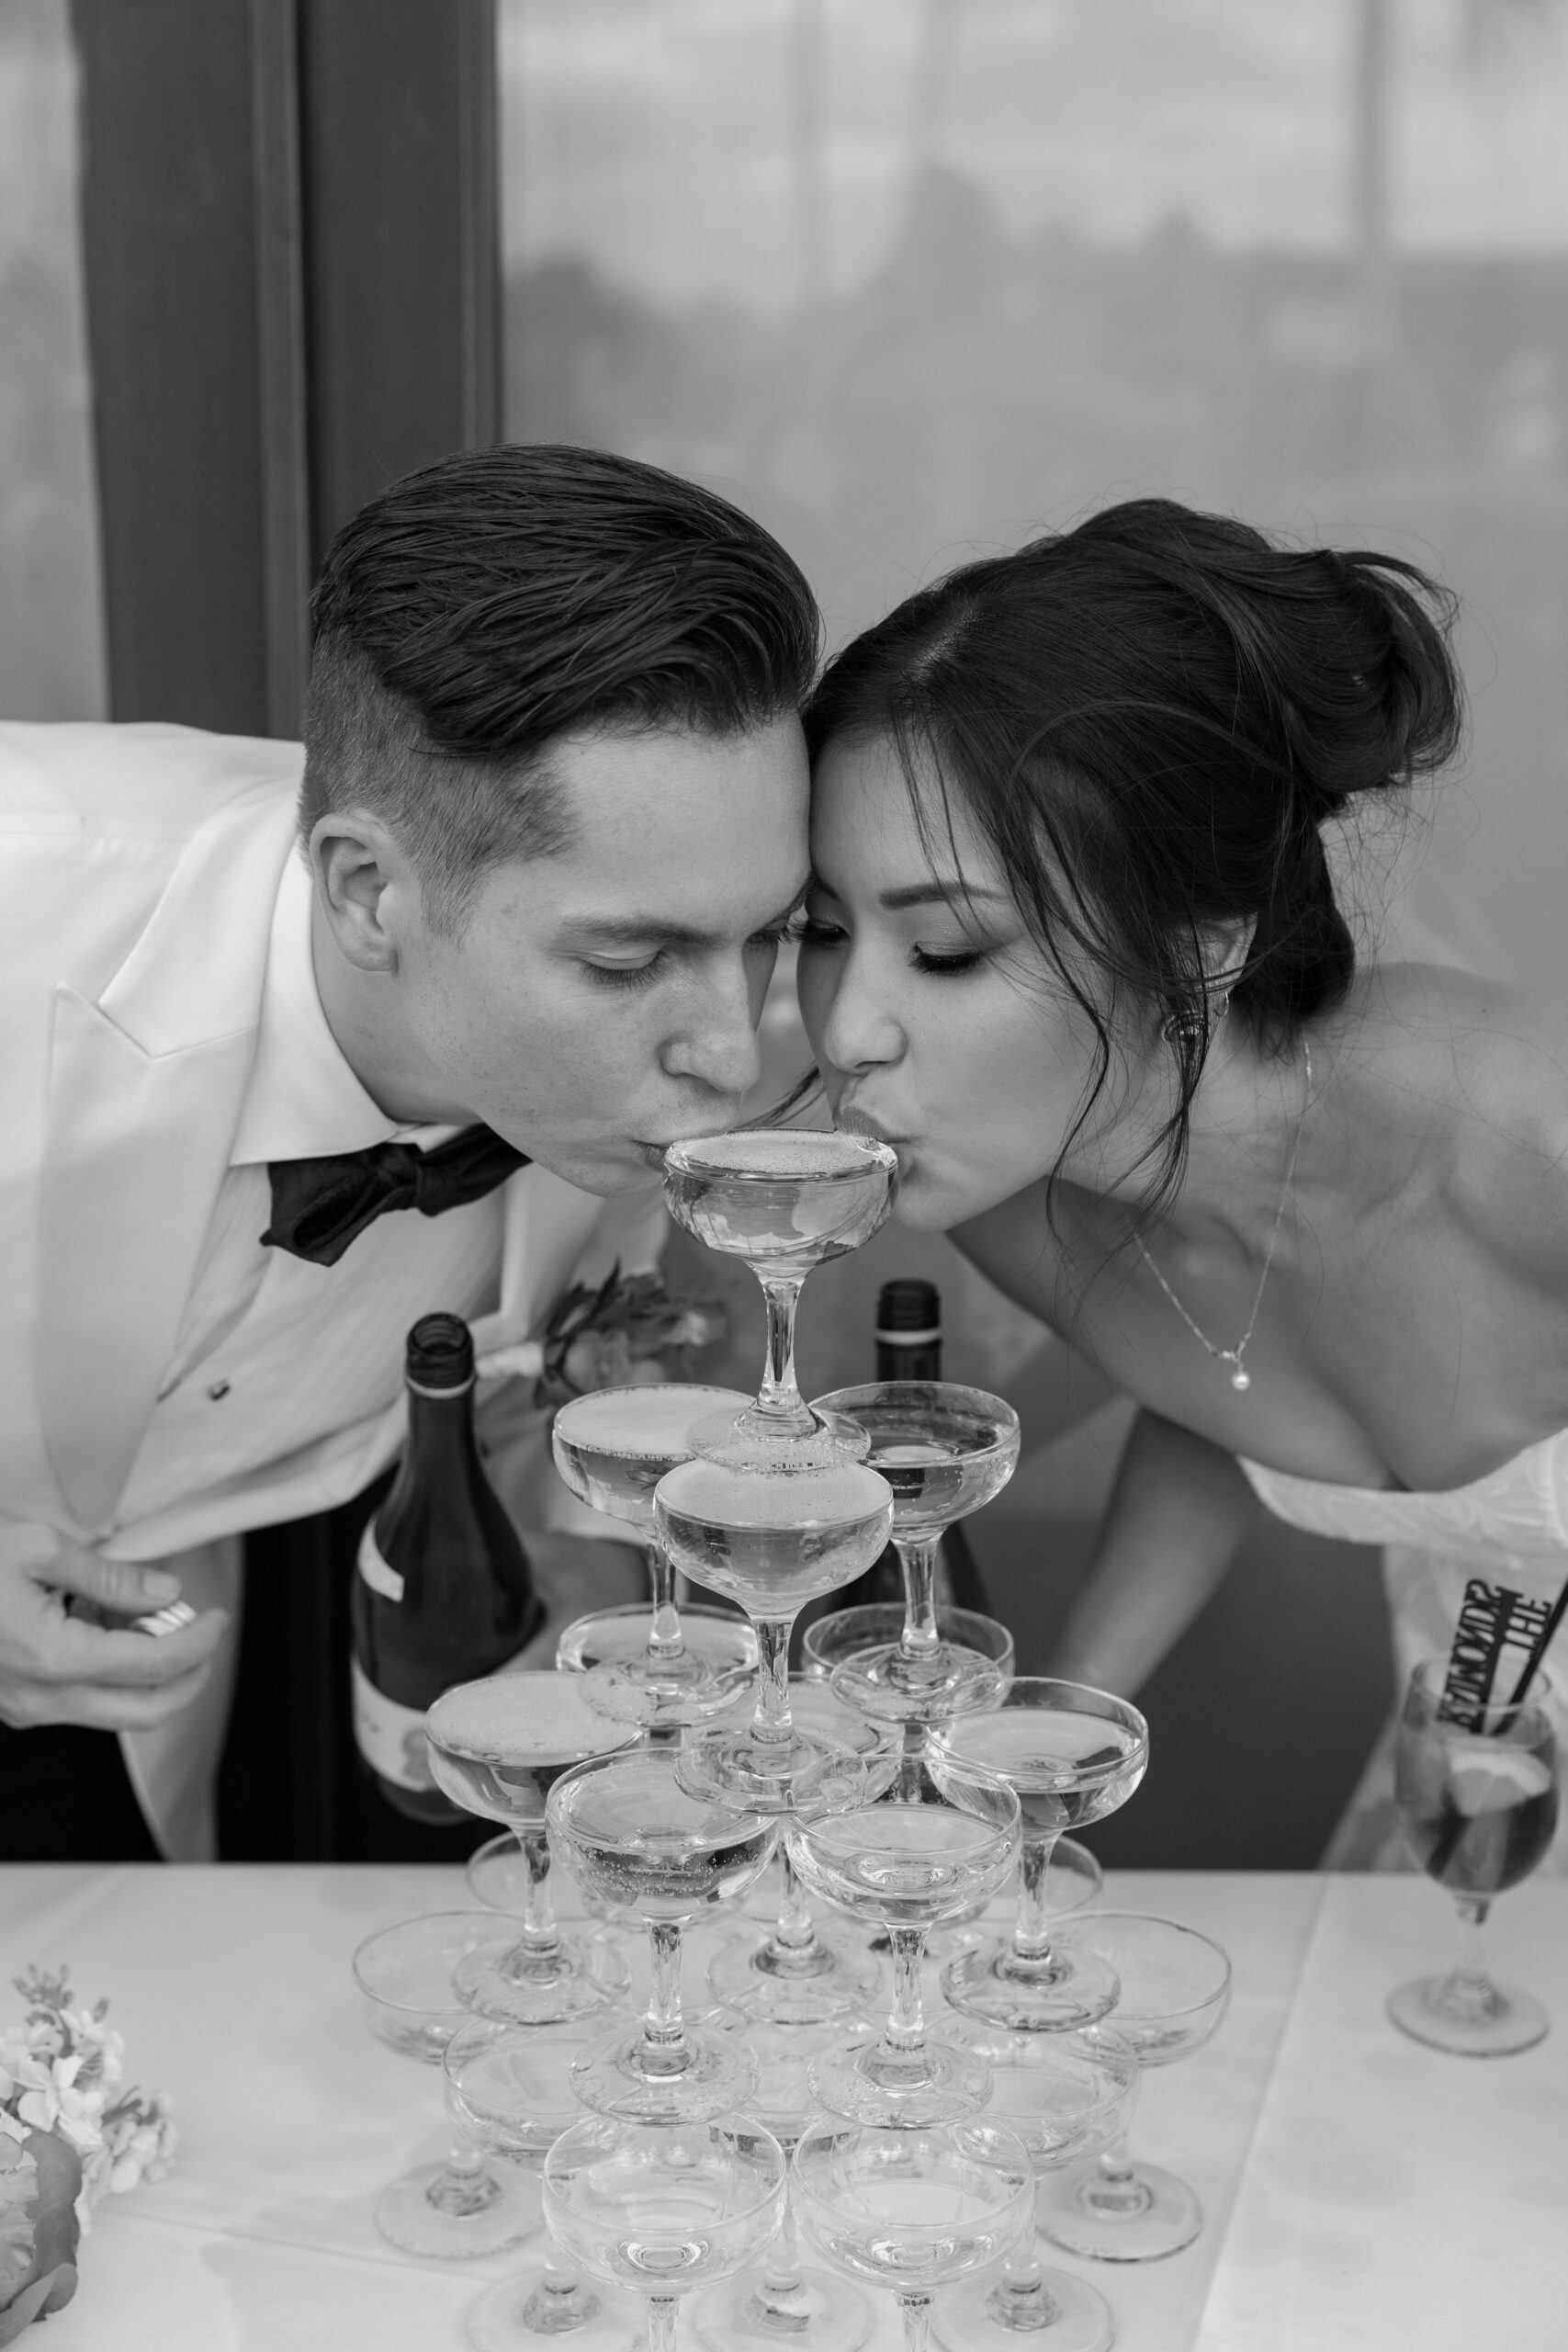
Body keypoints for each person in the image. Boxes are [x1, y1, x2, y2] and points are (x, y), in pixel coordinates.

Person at [0, 442, 817, 1862]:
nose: (734, 1054)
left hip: (192, 1629)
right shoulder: (31, 898)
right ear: (369, 891)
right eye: (630, 960)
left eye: (768, 935)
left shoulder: (712, 1035)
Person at [795, 496, 1568, 1870]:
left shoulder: (1530, 1145)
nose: (845, 1029)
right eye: (823, 929)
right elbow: (1229, 1387)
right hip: (1481, 1774)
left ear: (1201, 940)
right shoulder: (1008, 1202)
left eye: (951, 950)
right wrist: (1047, 1728)